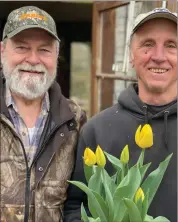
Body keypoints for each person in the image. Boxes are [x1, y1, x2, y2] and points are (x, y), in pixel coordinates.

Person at [64, 8, 177, 222]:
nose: (159, 57)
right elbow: (75, 208)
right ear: (131, 57)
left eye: (171, 45)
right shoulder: (96, 130)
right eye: (148, 44)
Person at [0, 6, 86, 222]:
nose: (33, 59)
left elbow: (80, 204)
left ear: (57, 54)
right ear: (2, 51)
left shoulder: (75, 121)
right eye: (21, 47)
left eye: (44, 50)